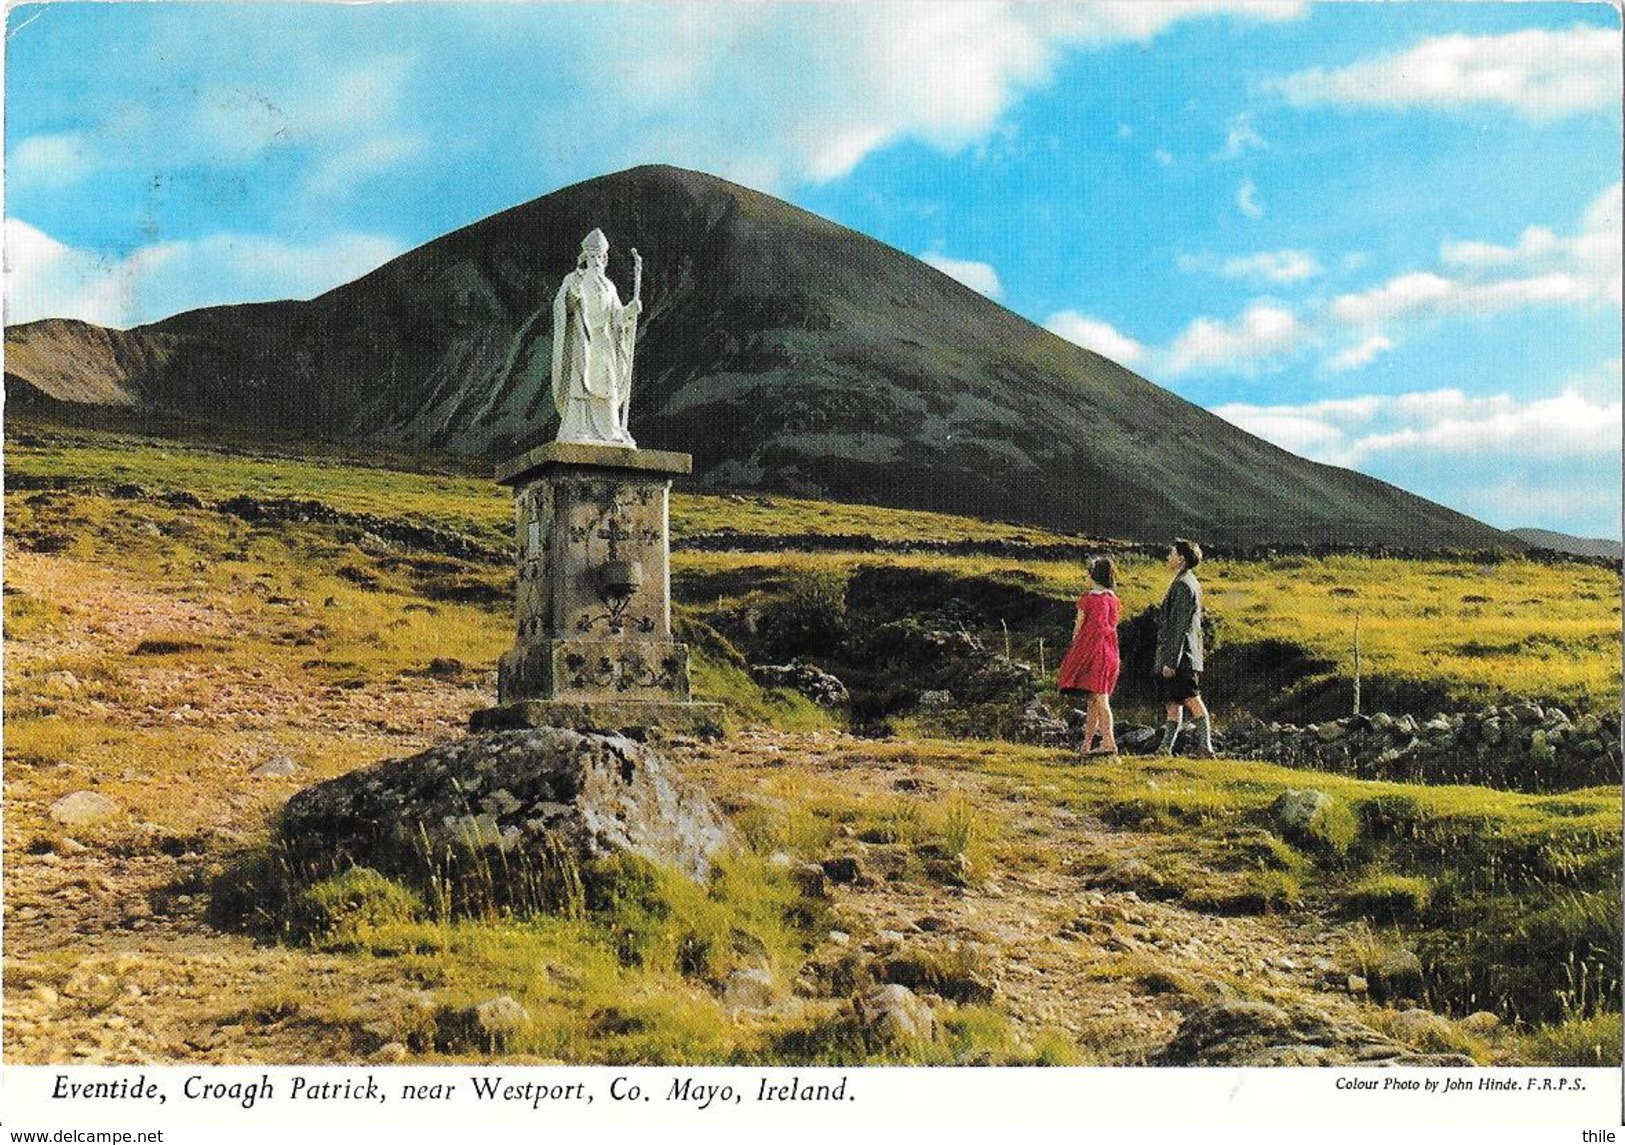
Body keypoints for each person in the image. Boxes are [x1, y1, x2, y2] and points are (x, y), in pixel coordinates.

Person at [551, 228, 640, 447]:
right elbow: (562, 306)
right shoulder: (574, 279)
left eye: (599, 257)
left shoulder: (609, 286)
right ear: (585, 258)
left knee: (607, 384)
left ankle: (610, 431)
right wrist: (573, 295)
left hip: (604, 342)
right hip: (583, 338)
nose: (595, 261)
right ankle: (578, 429)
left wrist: (631, 310)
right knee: (581, 383)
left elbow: (617, 317)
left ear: (605, 259)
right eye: (591, 257)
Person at [1154, 537, 1215, 757]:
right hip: (1184, 654)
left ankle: (1206, 747)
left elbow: (1179, 627)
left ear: (1181, 559)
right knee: (1173, 702)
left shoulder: (1182, 585)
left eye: (1172, 553)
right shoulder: (1189, 582)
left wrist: (1171, 661)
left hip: (1182, 656)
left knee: (1191, 698)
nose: (1168, 557)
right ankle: (1164, 748)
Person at [1057, 556, 1121, 757]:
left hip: (1093, 650)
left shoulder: (1088, 599)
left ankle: (1109, 742)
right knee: (1095, 698)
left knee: (1100, 700)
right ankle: (1088, 744)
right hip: (1110, 650)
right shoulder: (1114, 600)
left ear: (1093, 575)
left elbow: (1078, 629)